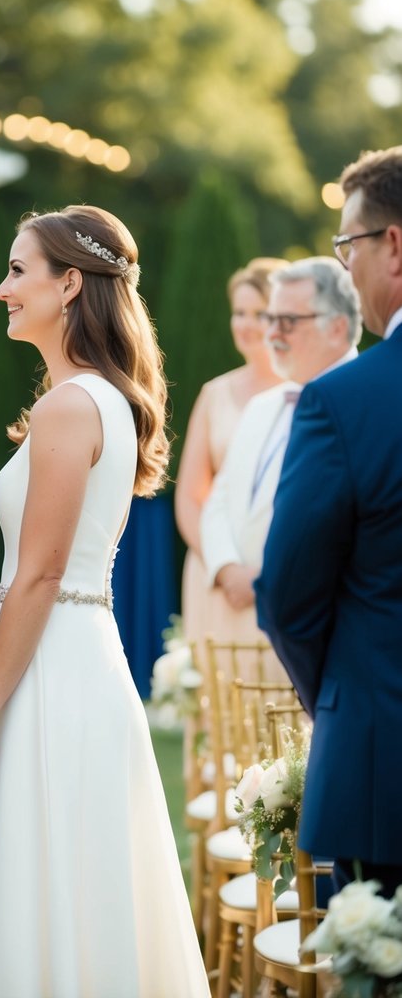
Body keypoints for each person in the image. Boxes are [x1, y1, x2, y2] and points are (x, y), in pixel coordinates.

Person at [0, 205, 209, 997]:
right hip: (72, 657)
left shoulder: (71, 406)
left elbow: (37, 574)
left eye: (17, 271)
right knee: (80, 876)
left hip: (52, 668)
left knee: (53, 864)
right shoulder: (98, 398)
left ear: (68, 284)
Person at [257, 146, 402, 897]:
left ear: (393, 246)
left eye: (347, 244)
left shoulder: (344, 402)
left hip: (383, 766)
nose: (344, 265)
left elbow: (286, 592)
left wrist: (339, 698)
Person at [200, 257, 361, 640]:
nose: (271, 333)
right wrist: (226, 568)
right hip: (237, 625)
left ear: (337, 327)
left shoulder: (369, 404)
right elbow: (219, 500)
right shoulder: (262, 407)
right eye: (270, 319)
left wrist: (271, 577)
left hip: (326, 630)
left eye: (287, 322)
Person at [176, 258, 286, 653]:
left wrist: (267, 572)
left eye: (260, 312)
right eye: (239, 312)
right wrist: (224, 568)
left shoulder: (306, 395)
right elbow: (190, 497)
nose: (246, 324)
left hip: (280, 580)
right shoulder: (215, 394)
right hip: (215, 578)